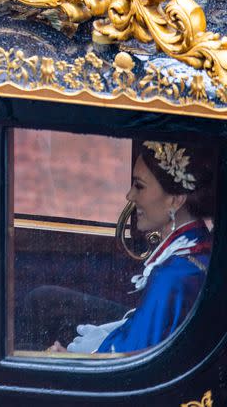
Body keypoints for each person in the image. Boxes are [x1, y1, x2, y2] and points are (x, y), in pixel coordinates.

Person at [52, 141, 214, 354]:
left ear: (175, 199)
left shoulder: (170, 277)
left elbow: (127, 366)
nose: (130, 196)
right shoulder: (196, 241)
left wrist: (65, 360)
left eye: (139, 186)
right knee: (45, 297)